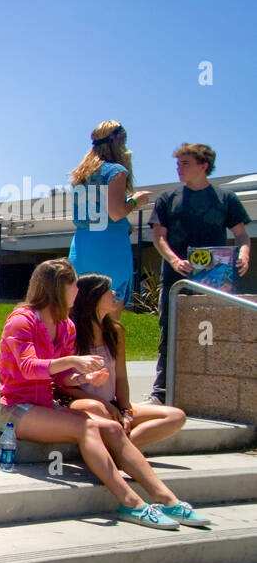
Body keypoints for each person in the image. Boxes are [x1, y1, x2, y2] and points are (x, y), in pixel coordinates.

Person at [0, 259, 208, 529]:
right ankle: (131, 503)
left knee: (112, 428)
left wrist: (84, 377)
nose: (77, 292)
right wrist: (74, 361)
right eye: (73, 286)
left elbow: (61, 377)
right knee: (88, 428)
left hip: (45, 406)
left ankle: (168, 499)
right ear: (57, 288)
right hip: (14, 408)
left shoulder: (65, 326)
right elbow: (28, 368)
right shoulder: (22, 321)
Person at [148, 142, 252, 404]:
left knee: (211, 332)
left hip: (215, 280)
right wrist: (174, 260)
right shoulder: (168, 199)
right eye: (177, 163)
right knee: (170, 333)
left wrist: (244, 254)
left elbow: (241, 235)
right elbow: (159, 238)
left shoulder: (225, 199)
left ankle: (212, 390)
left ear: (203, 165)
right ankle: (161, 392)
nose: (178, 168)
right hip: (176, 278)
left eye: (185, 163)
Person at [65, 272, 186, 448]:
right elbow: (64, 385)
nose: (114, 293)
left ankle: (123, 448)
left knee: (176, 416)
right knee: (95, 408)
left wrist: (124, 411)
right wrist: (106, 405)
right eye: (108, 289)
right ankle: (120, 448)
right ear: (93, 298)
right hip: (82, 404)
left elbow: (121, 377)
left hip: (112, 406)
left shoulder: (116, 332)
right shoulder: (70, 333)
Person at [67, 121, 152, 312]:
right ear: (119, 141)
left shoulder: (81, 175)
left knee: (81, 313)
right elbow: (115, 213)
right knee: (110, 315)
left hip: (82, 245)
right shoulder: (116, 171)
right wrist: (137, 200)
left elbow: (98, 211)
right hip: (109, 247)